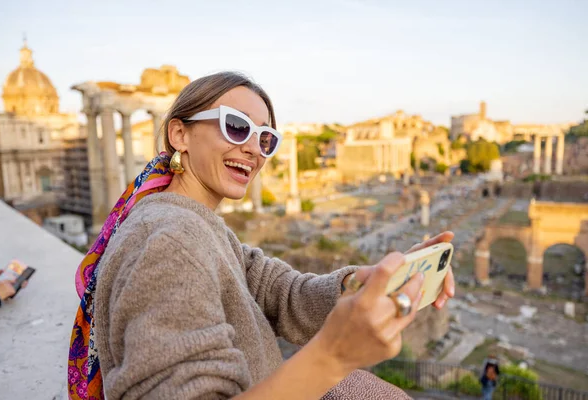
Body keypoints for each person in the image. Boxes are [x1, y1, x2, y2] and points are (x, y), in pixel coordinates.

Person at [68, 71, 456, 400]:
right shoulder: (168, 240)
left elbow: (281, 294)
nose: (254, 148)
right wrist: (332, 357)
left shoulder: (199, 224)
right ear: (179, 135)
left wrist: (367, 282)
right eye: (236, 127)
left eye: (265, 138)